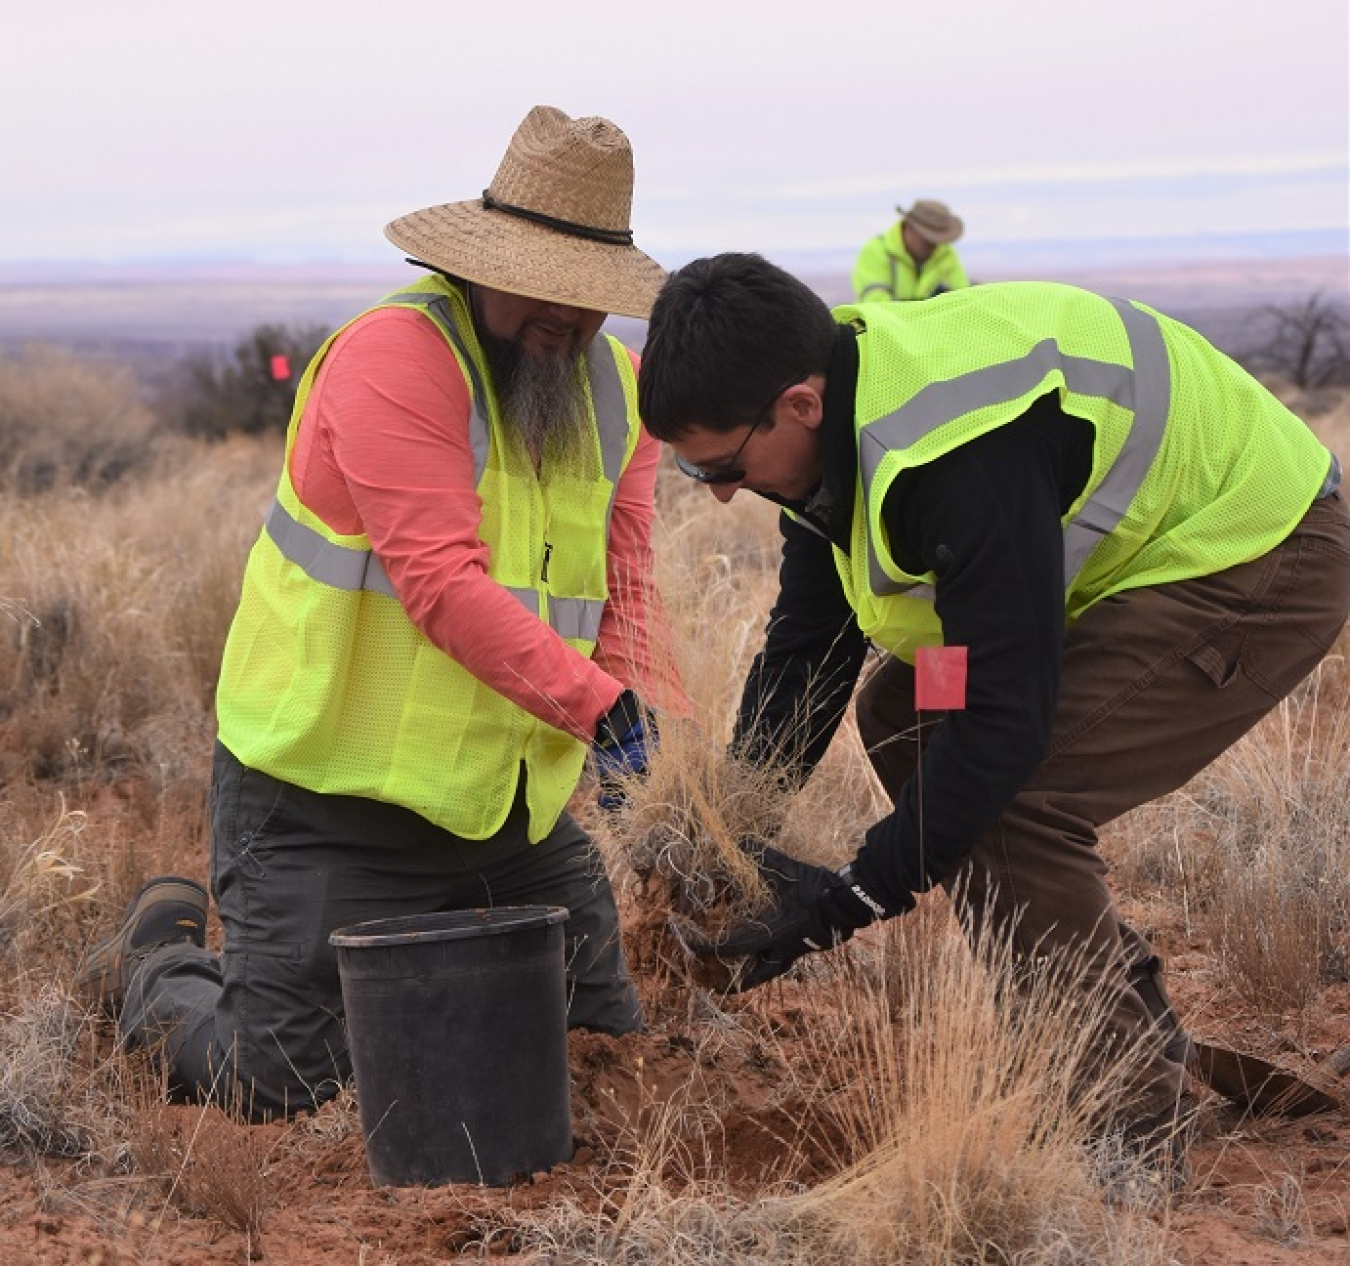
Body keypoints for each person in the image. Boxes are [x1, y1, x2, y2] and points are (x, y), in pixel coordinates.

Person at [636, 251, 1349, 1174]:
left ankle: (1130, 1119)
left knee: (1017, 798)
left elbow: (1004, 720)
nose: (722, 492)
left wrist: (846, 898)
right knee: (907, 712)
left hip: (1257, 557)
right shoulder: (835, 426)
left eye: (724, 466)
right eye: (696, 477)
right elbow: (810, 646)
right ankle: (1107, 1019)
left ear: (799, 405)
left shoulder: (960, 457)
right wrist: (733, 828)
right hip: (1141, 570)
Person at [76, 105, 674, 1120]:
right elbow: (441, 585)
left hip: (505, 812)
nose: (565, 317)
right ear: (481, 262)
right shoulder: (393, 360)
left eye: (590, 297)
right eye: (541, 283)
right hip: (325, 801)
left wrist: (656, 738)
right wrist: (600, 710)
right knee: (290, 1085)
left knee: (594, 1048)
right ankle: (156, 966)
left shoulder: (617, 389)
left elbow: (630, 588)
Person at [851, 198, 969, 302]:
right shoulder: (875, 251)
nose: (933, 247)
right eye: (927, 240)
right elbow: (875, 305)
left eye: (938, 240)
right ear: (909, 227)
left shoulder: (945, 252)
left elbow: (963, 298)